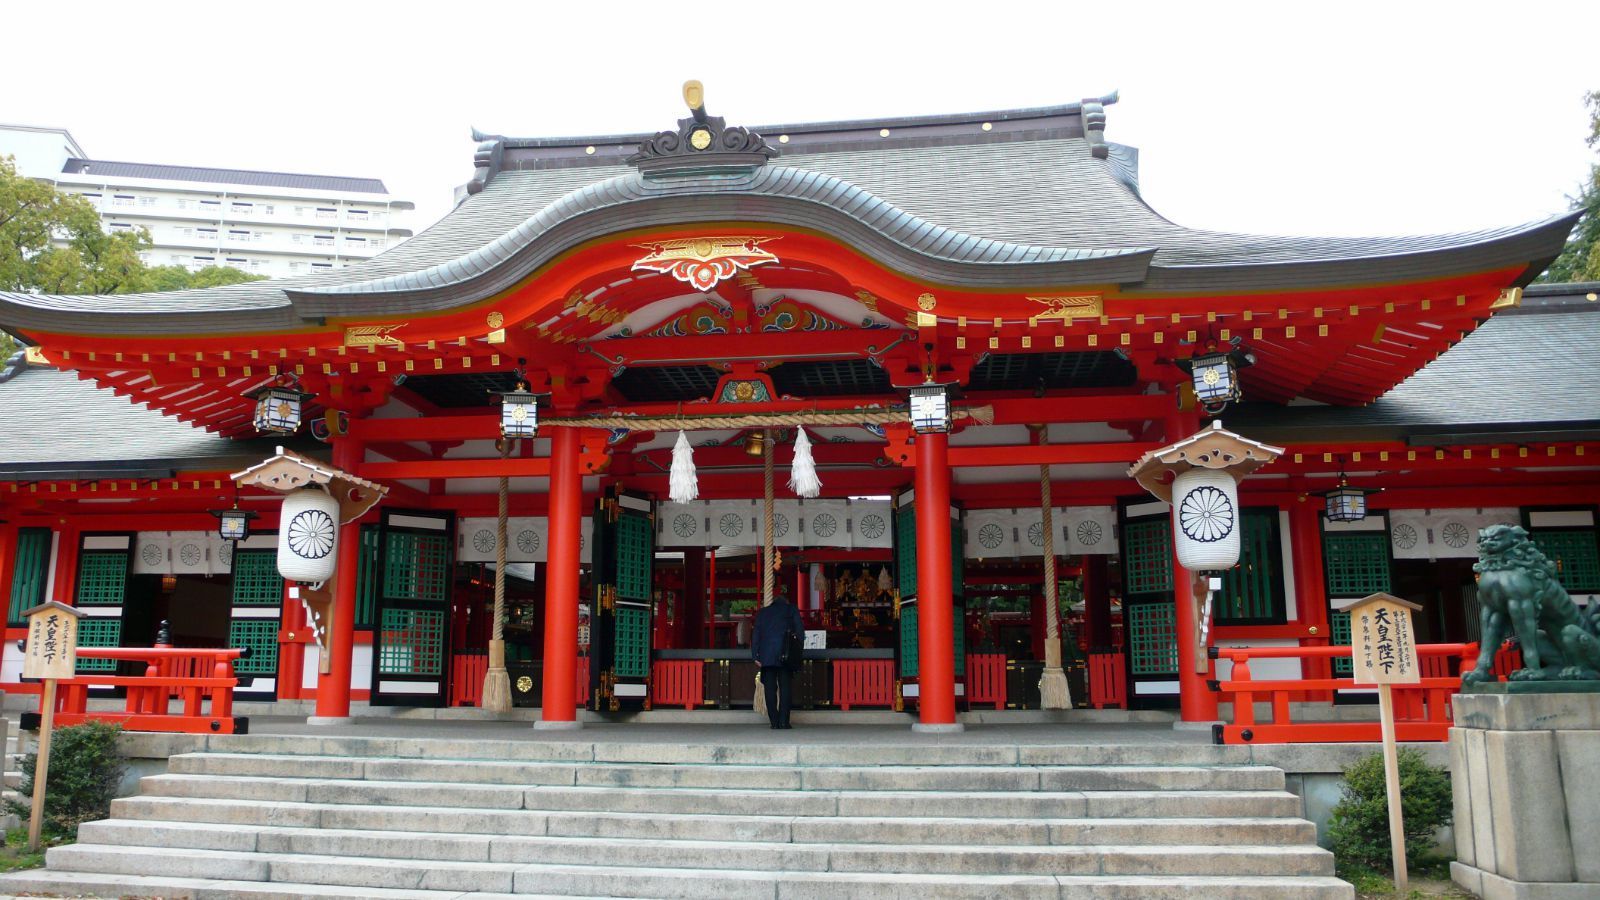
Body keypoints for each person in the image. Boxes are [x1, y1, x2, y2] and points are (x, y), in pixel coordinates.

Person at [751, 587, 805, 729]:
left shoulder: (763, 613)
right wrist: (797, 651)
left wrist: (755, 654)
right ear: (785, 602)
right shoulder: (791, 610)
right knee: (785, 688)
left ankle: (774, 722)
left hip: (767, 655)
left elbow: (756, 635)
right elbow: (800, 632)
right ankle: (784, 722)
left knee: (769, 689)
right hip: (785, 654)